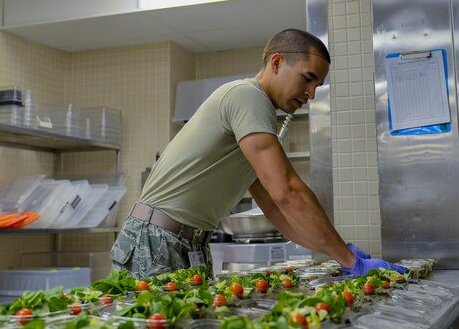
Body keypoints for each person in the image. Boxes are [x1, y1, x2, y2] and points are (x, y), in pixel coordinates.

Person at [111, 28, 405, 279]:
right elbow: (287, 191)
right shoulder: (247, 96)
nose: (312, 93)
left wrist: (338, 250)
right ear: (276, 62)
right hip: (155, 240)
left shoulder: (256, 120)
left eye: (318, 85)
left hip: (190, 245)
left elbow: (275, 210)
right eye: (308, 78)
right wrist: (350, 261)